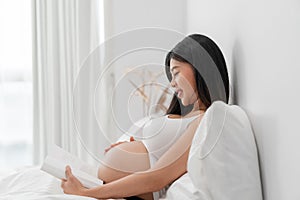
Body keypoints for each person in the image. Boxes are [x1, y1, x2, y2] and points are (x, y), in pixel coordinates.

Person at [61, 34, 230, 200]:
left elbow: (157, 177)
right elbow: (164, 155)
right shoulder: (191, 116)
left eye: (176, 73)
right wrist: (137, 146)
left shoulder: (205, 120)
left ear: (199, 67)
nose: (172, 83)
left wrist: (85, 193)